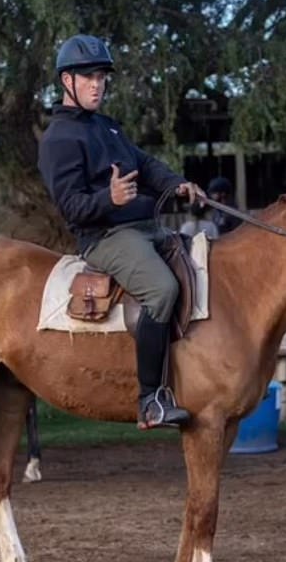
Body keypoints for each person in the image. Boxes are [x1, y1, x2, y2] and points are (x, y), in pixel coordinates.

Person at [38, 33, 206, 430]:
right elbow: (72, 208)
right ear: (67, 81)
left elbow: (144, 165)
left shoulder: (106, 127)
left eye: (101, 77)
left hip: (146, 226)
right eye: (88, 77)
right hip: (106, 238)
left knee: (203, 264)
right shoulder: (58, 140)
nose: (97, 84)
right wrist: (109, 199)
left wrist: (176, 184)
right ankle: (150, 400)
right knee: (162, 289)